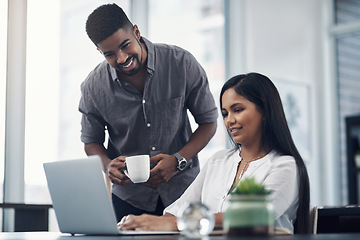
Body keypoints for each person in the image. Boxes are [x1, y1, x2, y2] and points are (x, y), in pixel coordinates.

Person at [118, 72, 311, 234]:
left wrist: (176, 224)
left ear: (265, 111)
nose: (229, 121)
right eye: (225, 113)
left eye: (238, 110)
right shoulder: (219, 161)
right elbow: (178, 210)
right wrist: (144, 225)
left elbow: (253, 217)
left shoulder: (285, 166)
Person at [79, 3, 218, 221]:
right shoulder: (93, 87)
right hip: (128, 199)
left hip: (185, 193)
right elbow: (91, 142)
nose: (122, 58)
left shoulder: (181, 63)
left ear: (136, 31)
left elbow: (209, 122)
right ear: (99, 51)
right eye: (109, 54)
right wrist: (107, 167)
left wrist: (178, 160)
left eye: (125, 45)